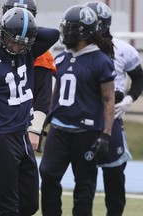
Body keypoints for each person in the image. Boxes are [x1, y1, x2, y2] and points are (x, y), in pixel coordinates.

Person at [0, 7, 59, 215]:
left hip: (21, 133)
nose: (16, 46)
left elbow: (54, 34)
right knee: (6, 204)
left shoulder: (30, 50)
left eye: (22, 42)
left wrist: (27, 28)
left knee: (30, 203)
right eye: (12, 40)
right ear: (3, 34)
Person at [39, 5, 116, 216]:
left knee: (84, 184)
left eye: (70, 28)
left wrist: (106, 135)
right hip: (60, 128)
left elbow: (109, 100)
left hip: (86, 131)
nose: (65, 32)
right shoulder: (62, 57)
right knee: (47, 173)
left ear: (83, 31)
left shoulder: (100, 60)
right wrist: (45, 121)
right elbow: (56, 93)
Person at [85, 2, 143, 216]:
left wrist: (129, 98)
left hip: (112, 119)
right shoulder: (79, 50)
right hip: (85, 118)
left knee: (114, 175)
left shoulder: (123, 49)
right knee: (85, 177)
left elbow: (138, 77)